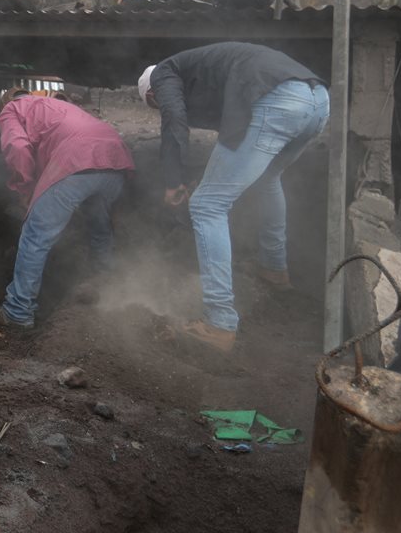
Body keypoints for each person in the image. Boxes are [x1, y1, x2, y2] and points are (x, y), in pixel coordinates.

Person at [138, 42, 329, 352]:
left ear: (151, 94)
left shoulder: (163, 73)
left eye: (155, 105)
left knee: (206, 204)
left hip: (279, 100)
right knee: (269, 177)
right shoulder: (205, 76)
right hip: (317, 101)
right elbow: (236, 134)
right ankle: (274, 270)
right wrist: (205, 176)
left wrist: (173, 181)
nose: (160, 108)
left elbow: (174, 122)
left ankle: (218, 323)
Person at [0, 89, 135, 329]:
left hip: (77, 159)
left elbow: (16, 147)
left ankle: (17, 311)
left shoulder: (12, 108)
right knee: (100, 227)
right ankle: (107, 289)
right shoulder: (58, 105)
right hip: (115, 158)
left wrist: (25, 188)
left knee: (35, 236)